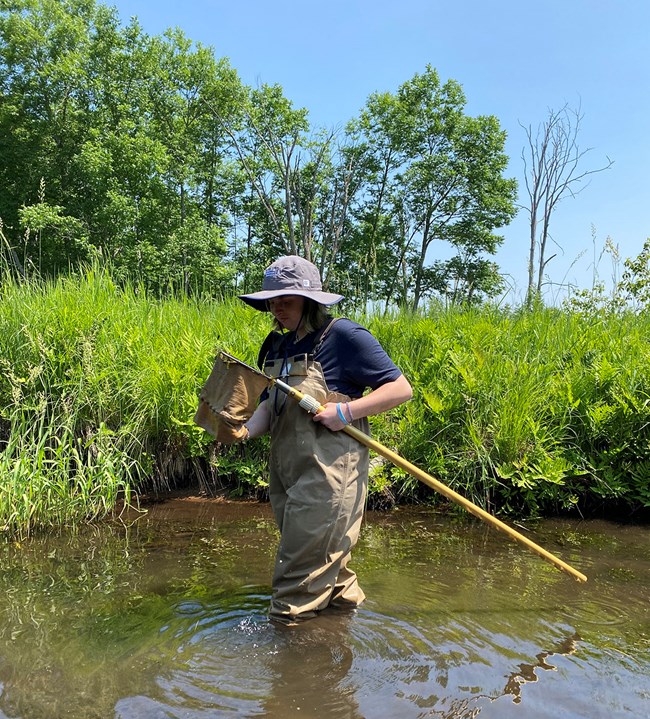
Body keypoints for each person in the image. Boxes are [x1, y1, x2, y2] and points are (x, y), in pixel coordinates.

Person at [237, 255, 412, 625]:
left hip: (330, 475)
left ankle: (294, 668)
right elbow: (270, 404)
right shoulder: (277, 347)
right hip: (287, 473)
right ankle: (341, 639)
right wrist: (244, 430)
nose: (277, 307)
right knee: (330, 571)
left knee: (296, 581)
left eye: (286, 298)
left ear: (310, 300)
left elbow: (400, 389)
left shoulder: (345, 337)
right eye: (272, 299)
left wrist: (345, 412)